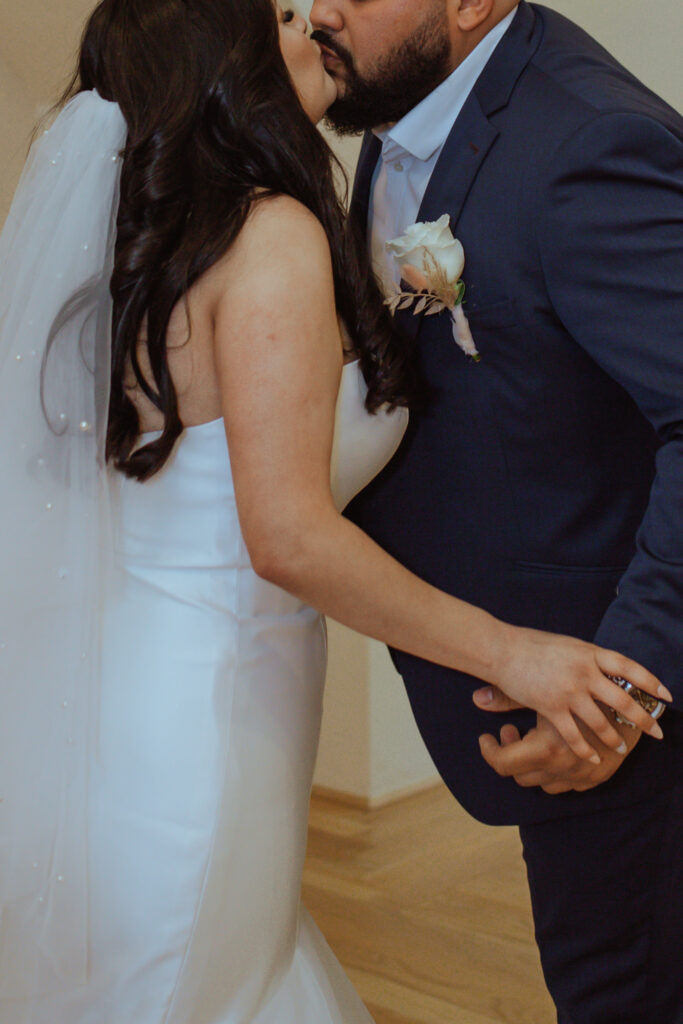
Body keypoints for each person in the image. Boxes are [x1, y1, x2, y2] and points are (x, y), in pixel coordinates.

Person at [0, 0, 668, 1021]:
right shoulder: (273, 225)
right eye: (279, 16)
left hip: (135, 701)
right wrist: (510, 652)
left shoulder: (175, 230)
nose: (317, 14)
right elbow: (288, 533)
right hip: (212, 705)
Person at [308, 0, 683, 1019]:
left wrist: (627, 695)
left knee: (617, 989)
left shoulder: (587, 139)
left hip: (604, 690)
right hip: (508, 667)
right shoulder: (400, 117)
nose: (319, 9)